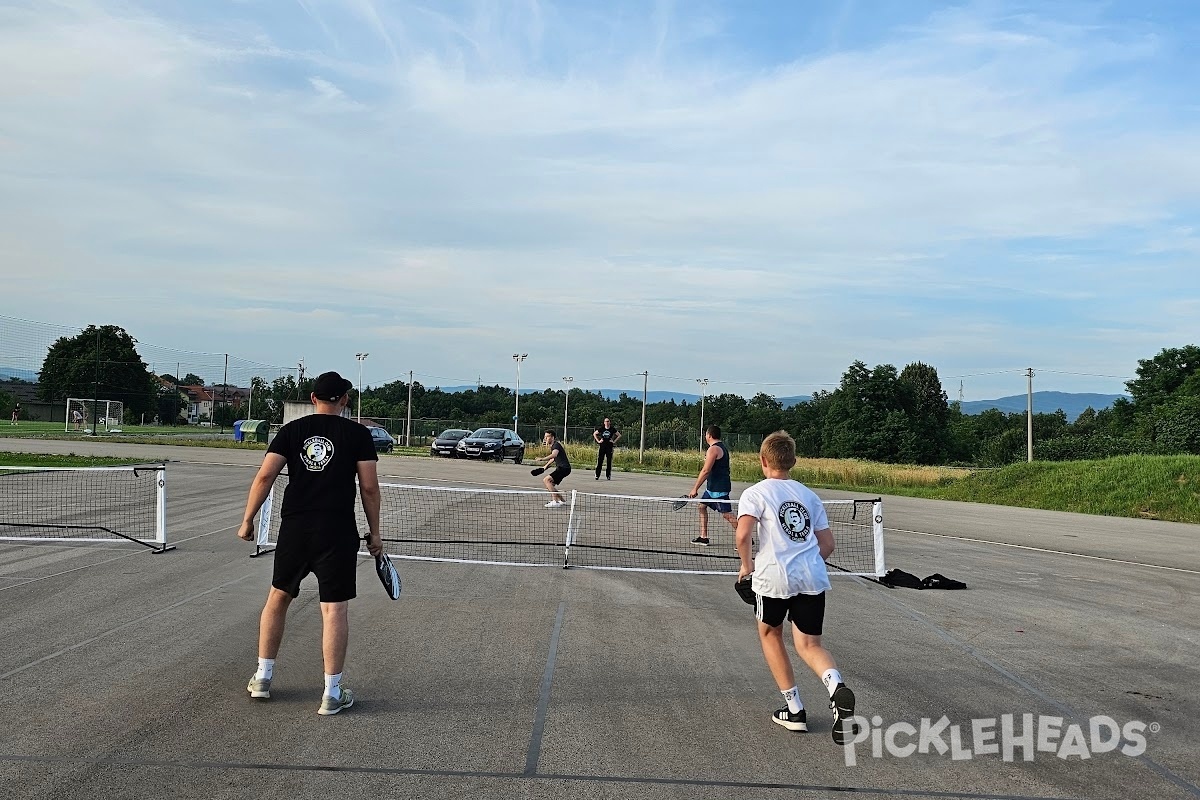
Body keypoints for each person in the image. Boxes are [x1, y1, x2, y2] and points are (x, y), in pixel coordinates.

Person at [236, 371, 382, 716]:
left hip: (296, 528)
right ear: (344, 400)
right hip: (337, 530)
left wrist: (247, 519)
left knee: (278, 597)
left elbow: (265, 475)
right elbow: (370, 488)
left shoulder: (291, 431)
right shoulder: (358, 434)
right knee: (334, 609)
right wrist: (375, 533)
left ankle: (262, 678)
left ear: (313, 398)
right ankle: (332, 693)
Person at [735, 430, 856, 744]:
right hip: (812, 578)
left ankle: (795, 709)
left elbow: (743, 534)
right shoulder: (809, 495)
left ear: (763, 460)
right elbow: (827, 543)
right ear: (794, 461)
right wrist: (808, 561)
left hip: (773, 577)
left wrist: (747, 566)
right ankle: (836, 687)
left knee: (770, 633)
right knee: (810, 646)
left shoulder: (755, 493)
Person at [686, 424, 737, 546]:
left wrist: (695, 488)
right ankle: (704, 537)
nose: (705, 436)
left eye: (705, 434)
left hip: (719, 488)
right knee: (701, 506)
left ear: (709, 435)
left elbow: (705, 471)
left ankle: (746, 539)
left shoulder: (713, 449)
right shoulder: (721, 447)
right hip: (711, 488)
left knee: (727, 515)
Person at [534, 429, 571, 508]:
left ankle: (555, 501)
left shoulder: (556, 445)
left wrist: (542, 459)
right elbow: (553, 459)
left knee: (546, 480)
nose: (545, 439)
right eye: (545, 437)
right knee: (550, 485)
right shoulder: (554, 446)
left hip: (563, 468)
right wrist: (545, 467)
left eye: (547, 437)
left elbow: (554, 455)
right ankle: (562, 501)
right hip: (564, 468)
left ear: (552, 437)